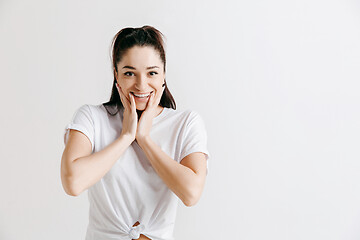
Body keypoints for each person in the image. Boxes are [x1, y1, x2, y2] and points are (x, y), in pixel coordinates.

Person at [61, 25, 210, 240]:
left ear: (163, 75)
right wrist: (126, 137)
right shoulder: (92, 118)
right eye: (130, 73)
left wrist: (144, 138)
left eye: (152, 73)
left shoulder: (185, 123)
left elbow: (191, 193)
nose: (141, 84)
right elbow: (72, 183)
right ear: (116, 75)